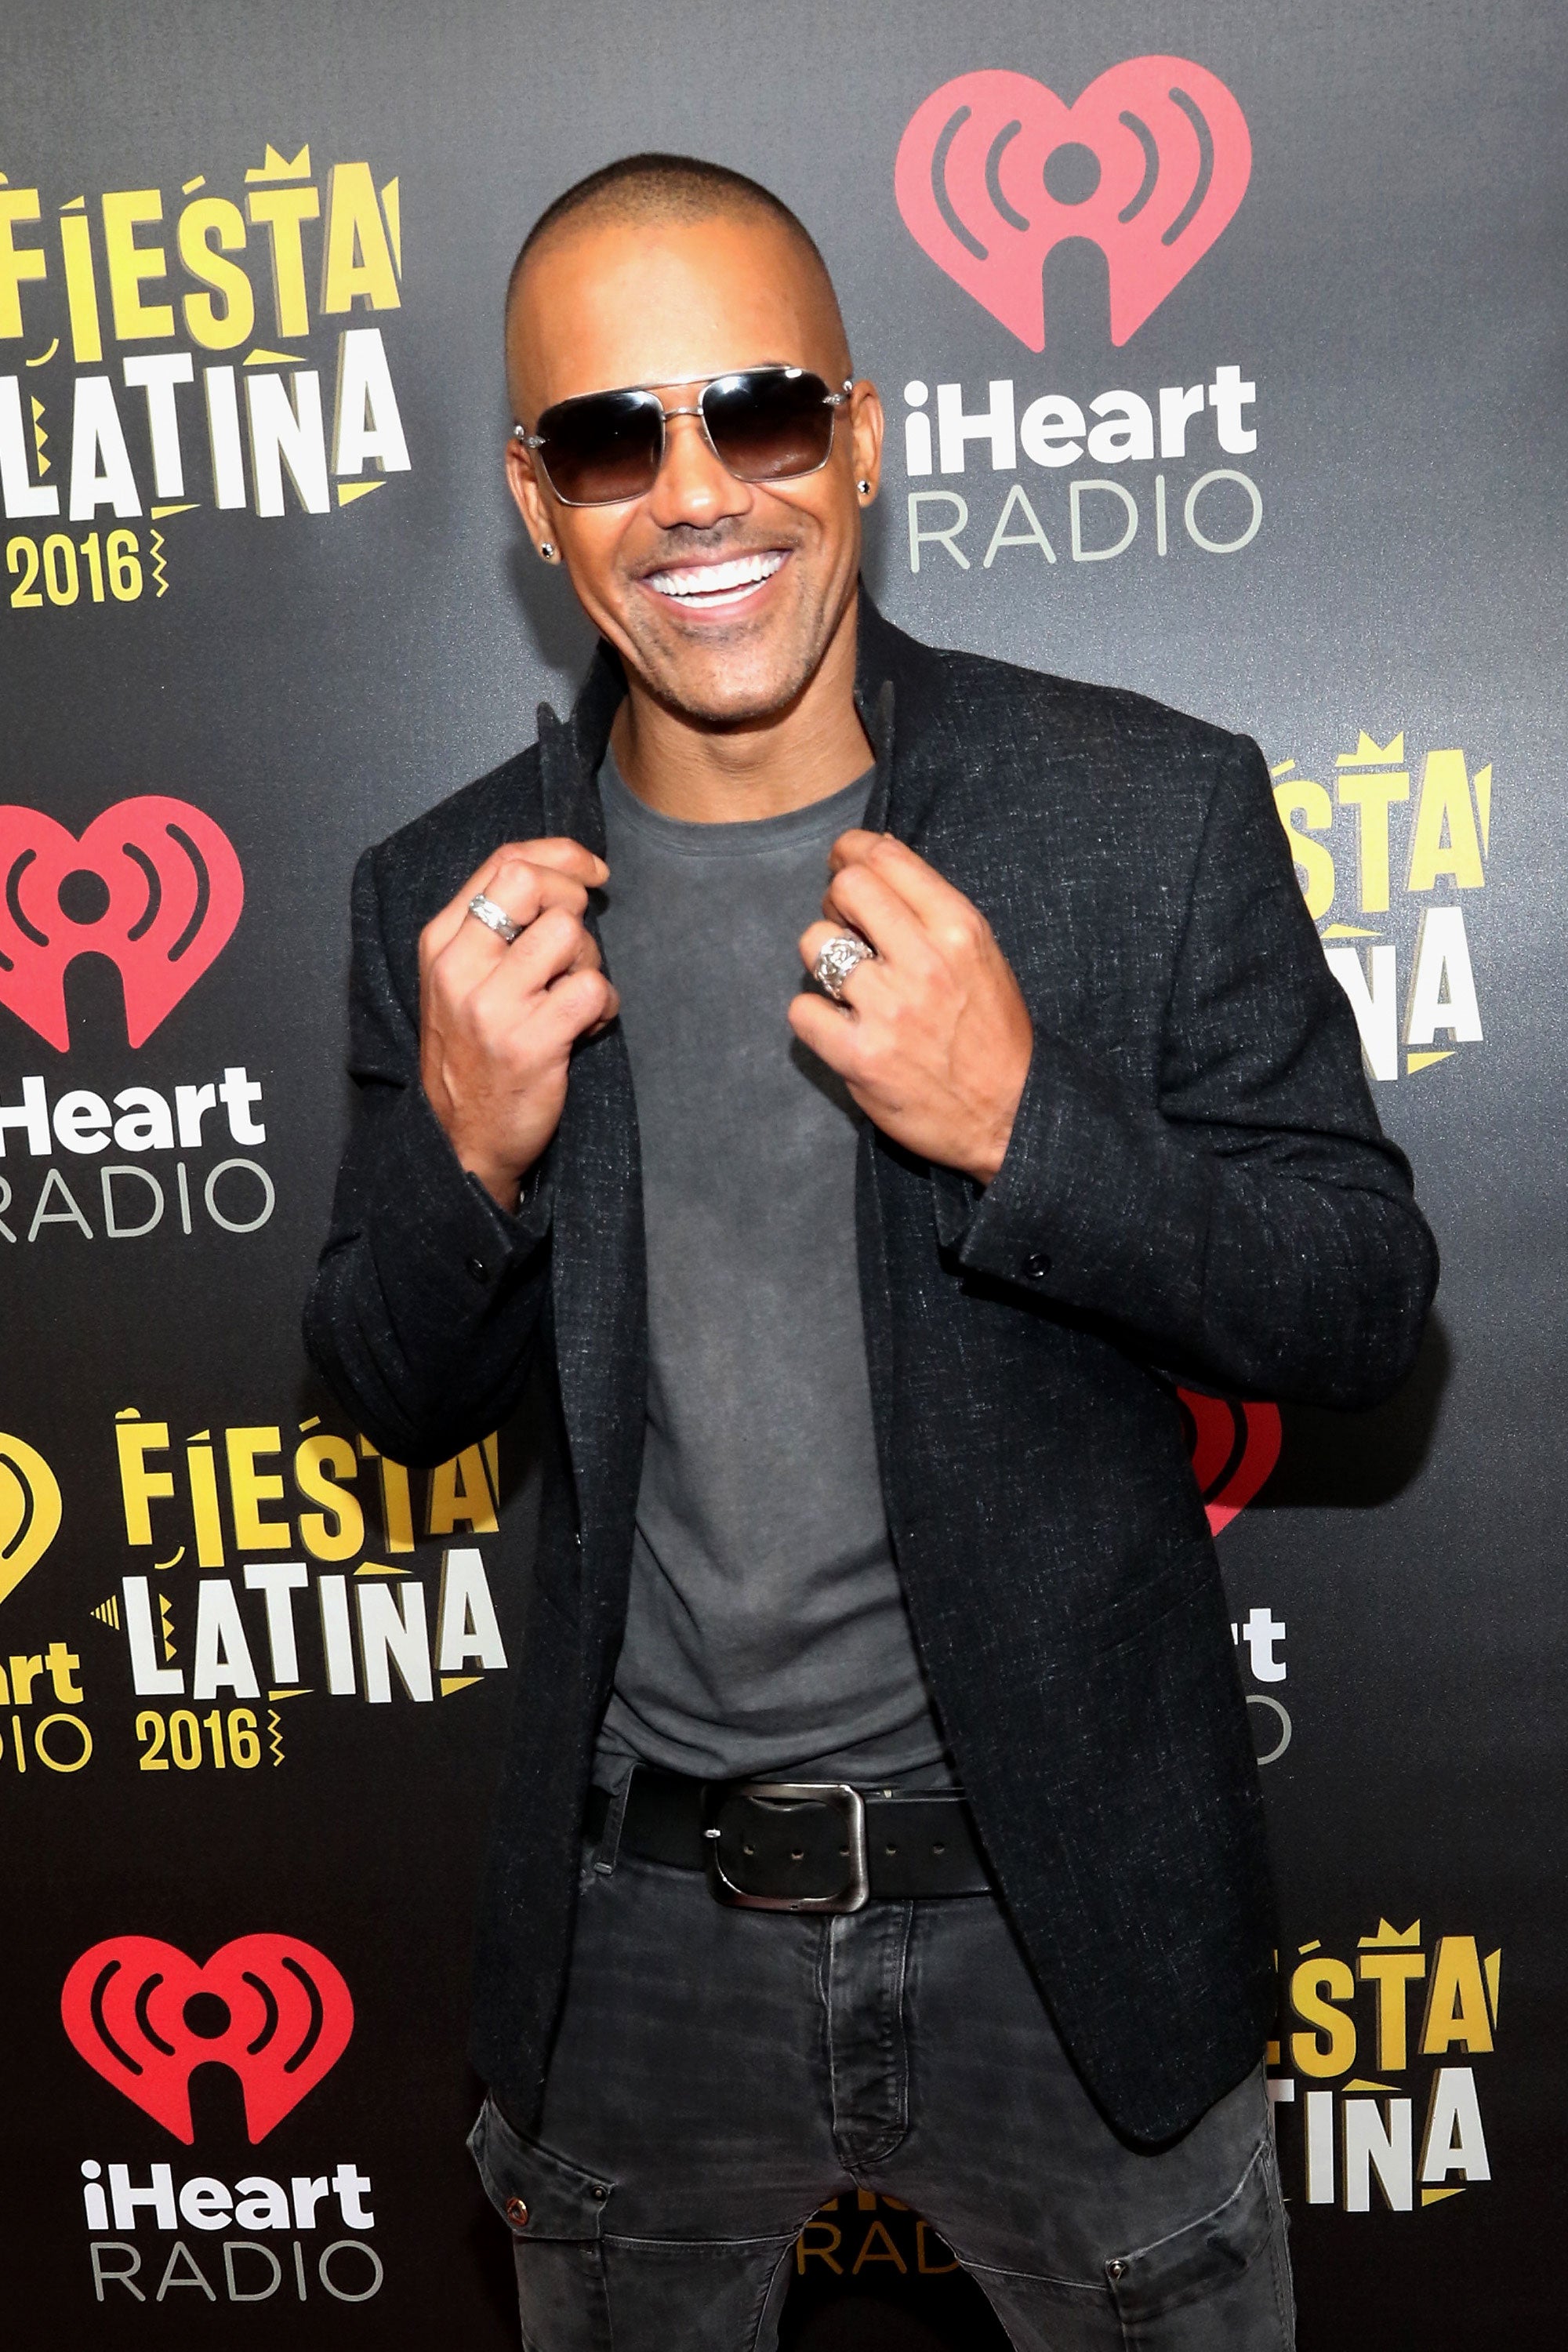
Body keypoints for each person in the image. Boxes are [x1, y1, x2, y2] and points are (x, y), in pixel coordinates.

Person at [304, 153, 1437, 2352]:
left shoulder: (1143, 813)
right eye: (613, 439)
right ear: (535, 501)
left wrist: (1027, 1126)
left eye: (760, 412)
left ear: (865, 437)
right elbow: (388, 1387)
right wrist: (468, 1161)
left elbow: (1364, 1302)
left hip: (1071, 1921)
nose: (697, 494)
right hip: (640, 1930)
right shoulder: (451, 899)